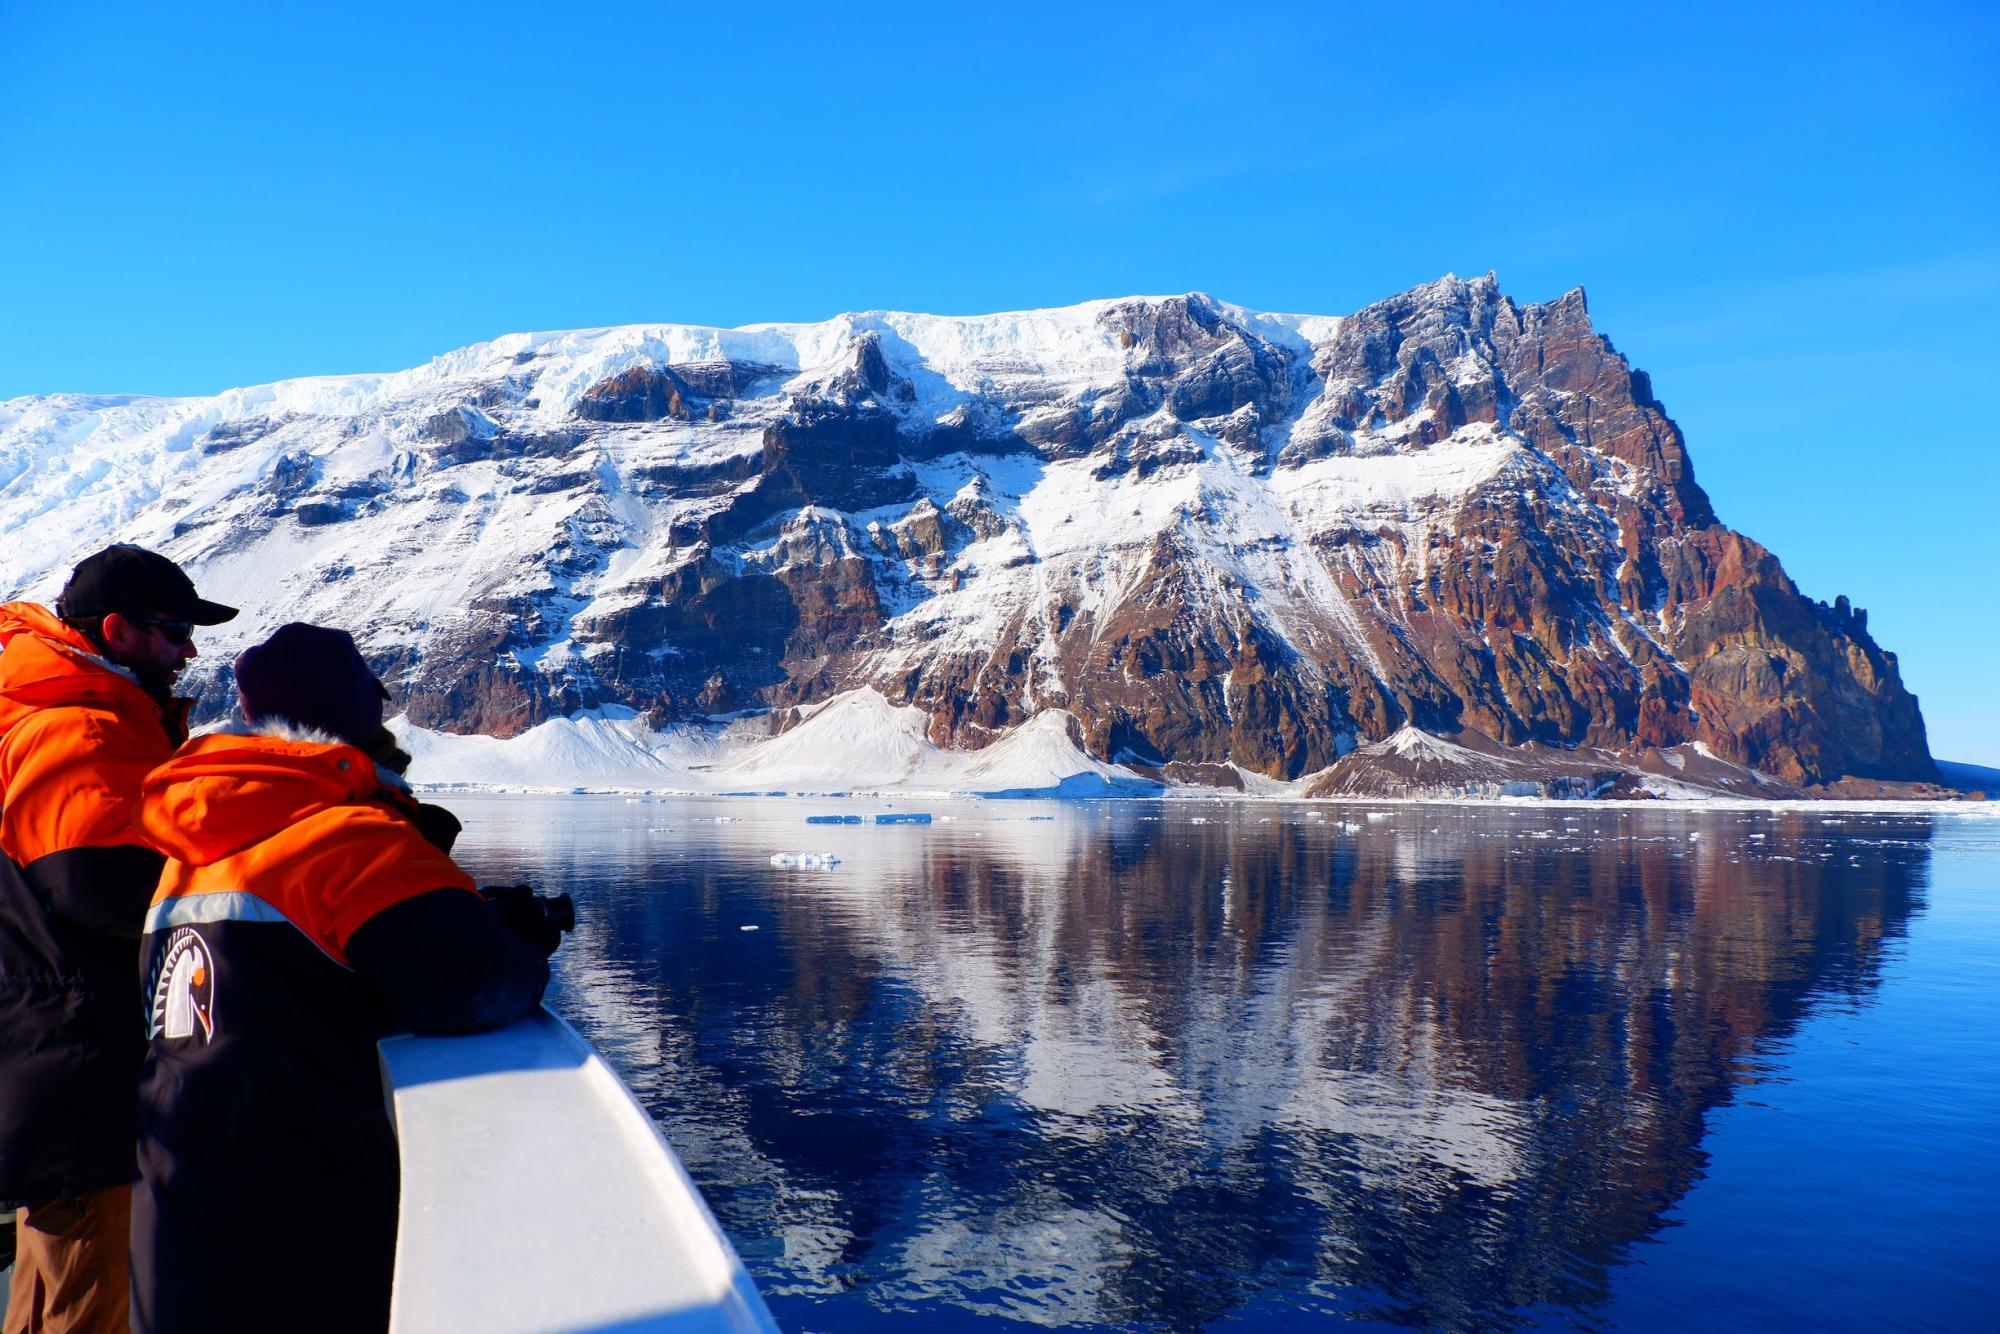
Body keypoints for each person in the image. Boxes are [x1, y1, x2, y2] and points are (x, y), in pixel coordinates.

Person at [130, 622, 559, 1334]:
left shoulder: (191, 851)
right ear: (358, 717)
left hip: (174, 1224)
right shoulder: (351, 838)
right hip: (295, 1238)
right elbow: (478, 984)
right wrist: (518, 937)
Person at [0, 545, 236, 1334]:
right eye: (174, 631)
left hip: (58, 1052)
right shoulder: (81, 730)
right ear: (115, 631)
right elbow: (100, 888)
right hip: (81, 1061)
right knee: (86, 1302)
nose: (188, 650)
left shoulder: (68, 712)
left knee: (53, 1295)